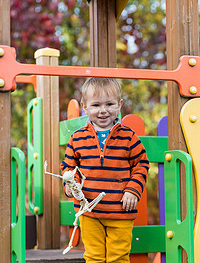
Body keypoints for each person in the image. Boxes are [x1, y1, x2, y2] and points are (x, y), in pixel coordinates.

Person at [60, 77, 149, 263]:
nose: (103, 110)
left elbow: (141, 164)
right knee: (93, 257)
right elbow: (69, 166)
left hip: (120, 210)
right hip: (89, 211)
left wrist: (132, 190)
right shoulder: (77, 138)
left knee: (118, 257)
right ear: (85, 106)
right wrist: (70, 183)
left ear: (119, 104)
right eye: (96, 105)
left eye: (109, 104)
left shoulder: (128, 137)